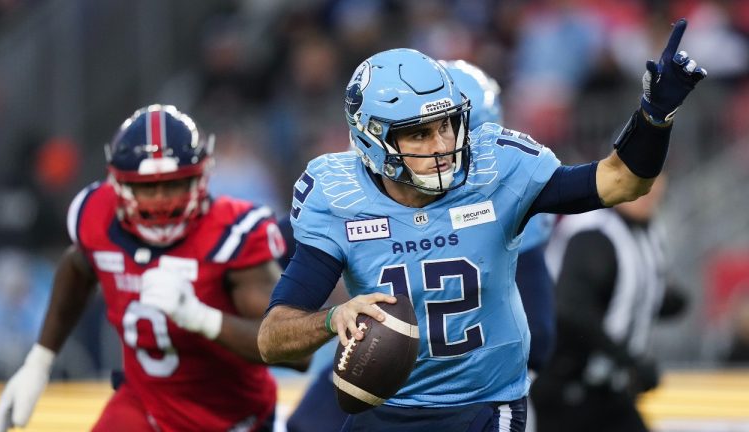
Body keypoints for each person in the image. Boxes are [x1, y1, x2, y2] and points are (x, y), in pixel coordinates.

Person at [258, 19, 705, 432]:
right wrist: (334, 319)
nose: (442, 145)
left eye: (447, 125)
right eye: (418, 133)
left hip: (484, 405)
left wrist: (653, 119)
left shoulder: (497, 170)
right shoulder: (339, 196)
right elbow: (274, 337)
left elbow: (621, 181)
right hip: (383, 404)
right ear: (371, 139)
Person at [282, 59, 557, 432]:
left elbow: (538, 334)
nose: (444, 151)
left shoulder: (503, 192)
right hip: (373, 373)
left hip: (473, 394)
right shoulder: (348, 196)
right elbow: (283, 250)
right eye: (420, 134)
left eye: (453, 130)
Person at [0, 105, 291, 432]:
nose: (161, 201)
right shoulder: (97, 215)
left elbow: (294, 352)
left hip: (228, 417)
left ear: (201, 178)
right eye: (147, 187)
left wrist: (200, 317)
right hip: (144, 404)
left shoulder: (234, 234)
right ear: (119, 184)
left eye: (174, 184)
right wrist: (39, 361)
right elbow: (78, 267)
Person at [531, 176, 687, 432]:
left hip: (605, 390)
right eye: (639, 175)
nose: (648, 187)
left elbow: (623, 294)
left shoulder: (646, 230)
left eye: (655, 176)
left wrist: (669, 302)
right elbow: (572, 311)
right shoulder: (595, 231)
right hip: (568, 385)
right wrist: (630, 361)